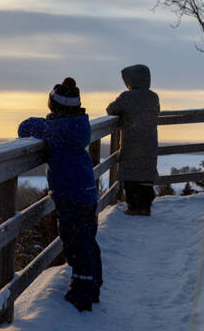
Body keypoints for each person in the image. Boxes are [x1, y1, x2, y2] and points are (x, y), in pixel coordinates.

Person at [18, 77, 102, 312]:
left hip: (70, 195)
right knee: (88, 240)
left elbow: (24, 127)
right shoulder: (78, 126)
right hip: (86, 191)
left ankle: (82, 293)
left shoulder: (55, 129)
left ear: (54, 106)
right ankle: (94, 284)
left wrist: (47, 122)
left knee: (75, 244)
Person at [106, 64, 160, 216]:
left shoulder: (126, 97)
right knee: (146, 175)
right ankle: (145, 206)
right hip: (149, 143)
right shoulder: (153, 96)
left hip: (132, 144)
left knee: (131, 176)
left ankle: (134, 206)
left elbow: (111, 109)